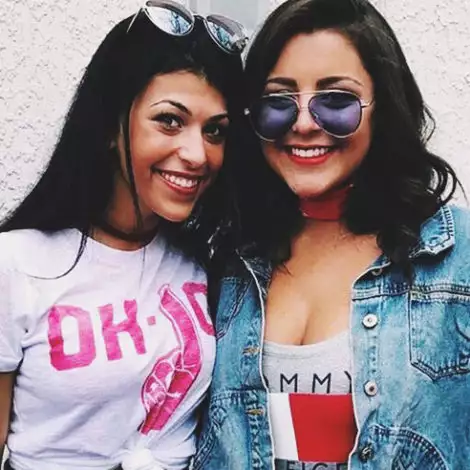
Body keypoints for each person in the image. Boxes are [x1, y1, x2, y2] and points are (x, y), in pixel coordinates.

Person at [194, 0, 470, 468]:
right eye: (279, 101)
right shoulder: (227, 257)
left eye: (336, 100)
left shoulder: (455, 255)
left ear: (384, 108)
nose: (303, 123)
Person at [0, 1, 247, 469]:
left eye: (215, 131)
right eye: (170, 120)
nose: (197, 154)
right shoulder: (15, 264)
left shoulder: (208, 263)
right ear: (111, 126)